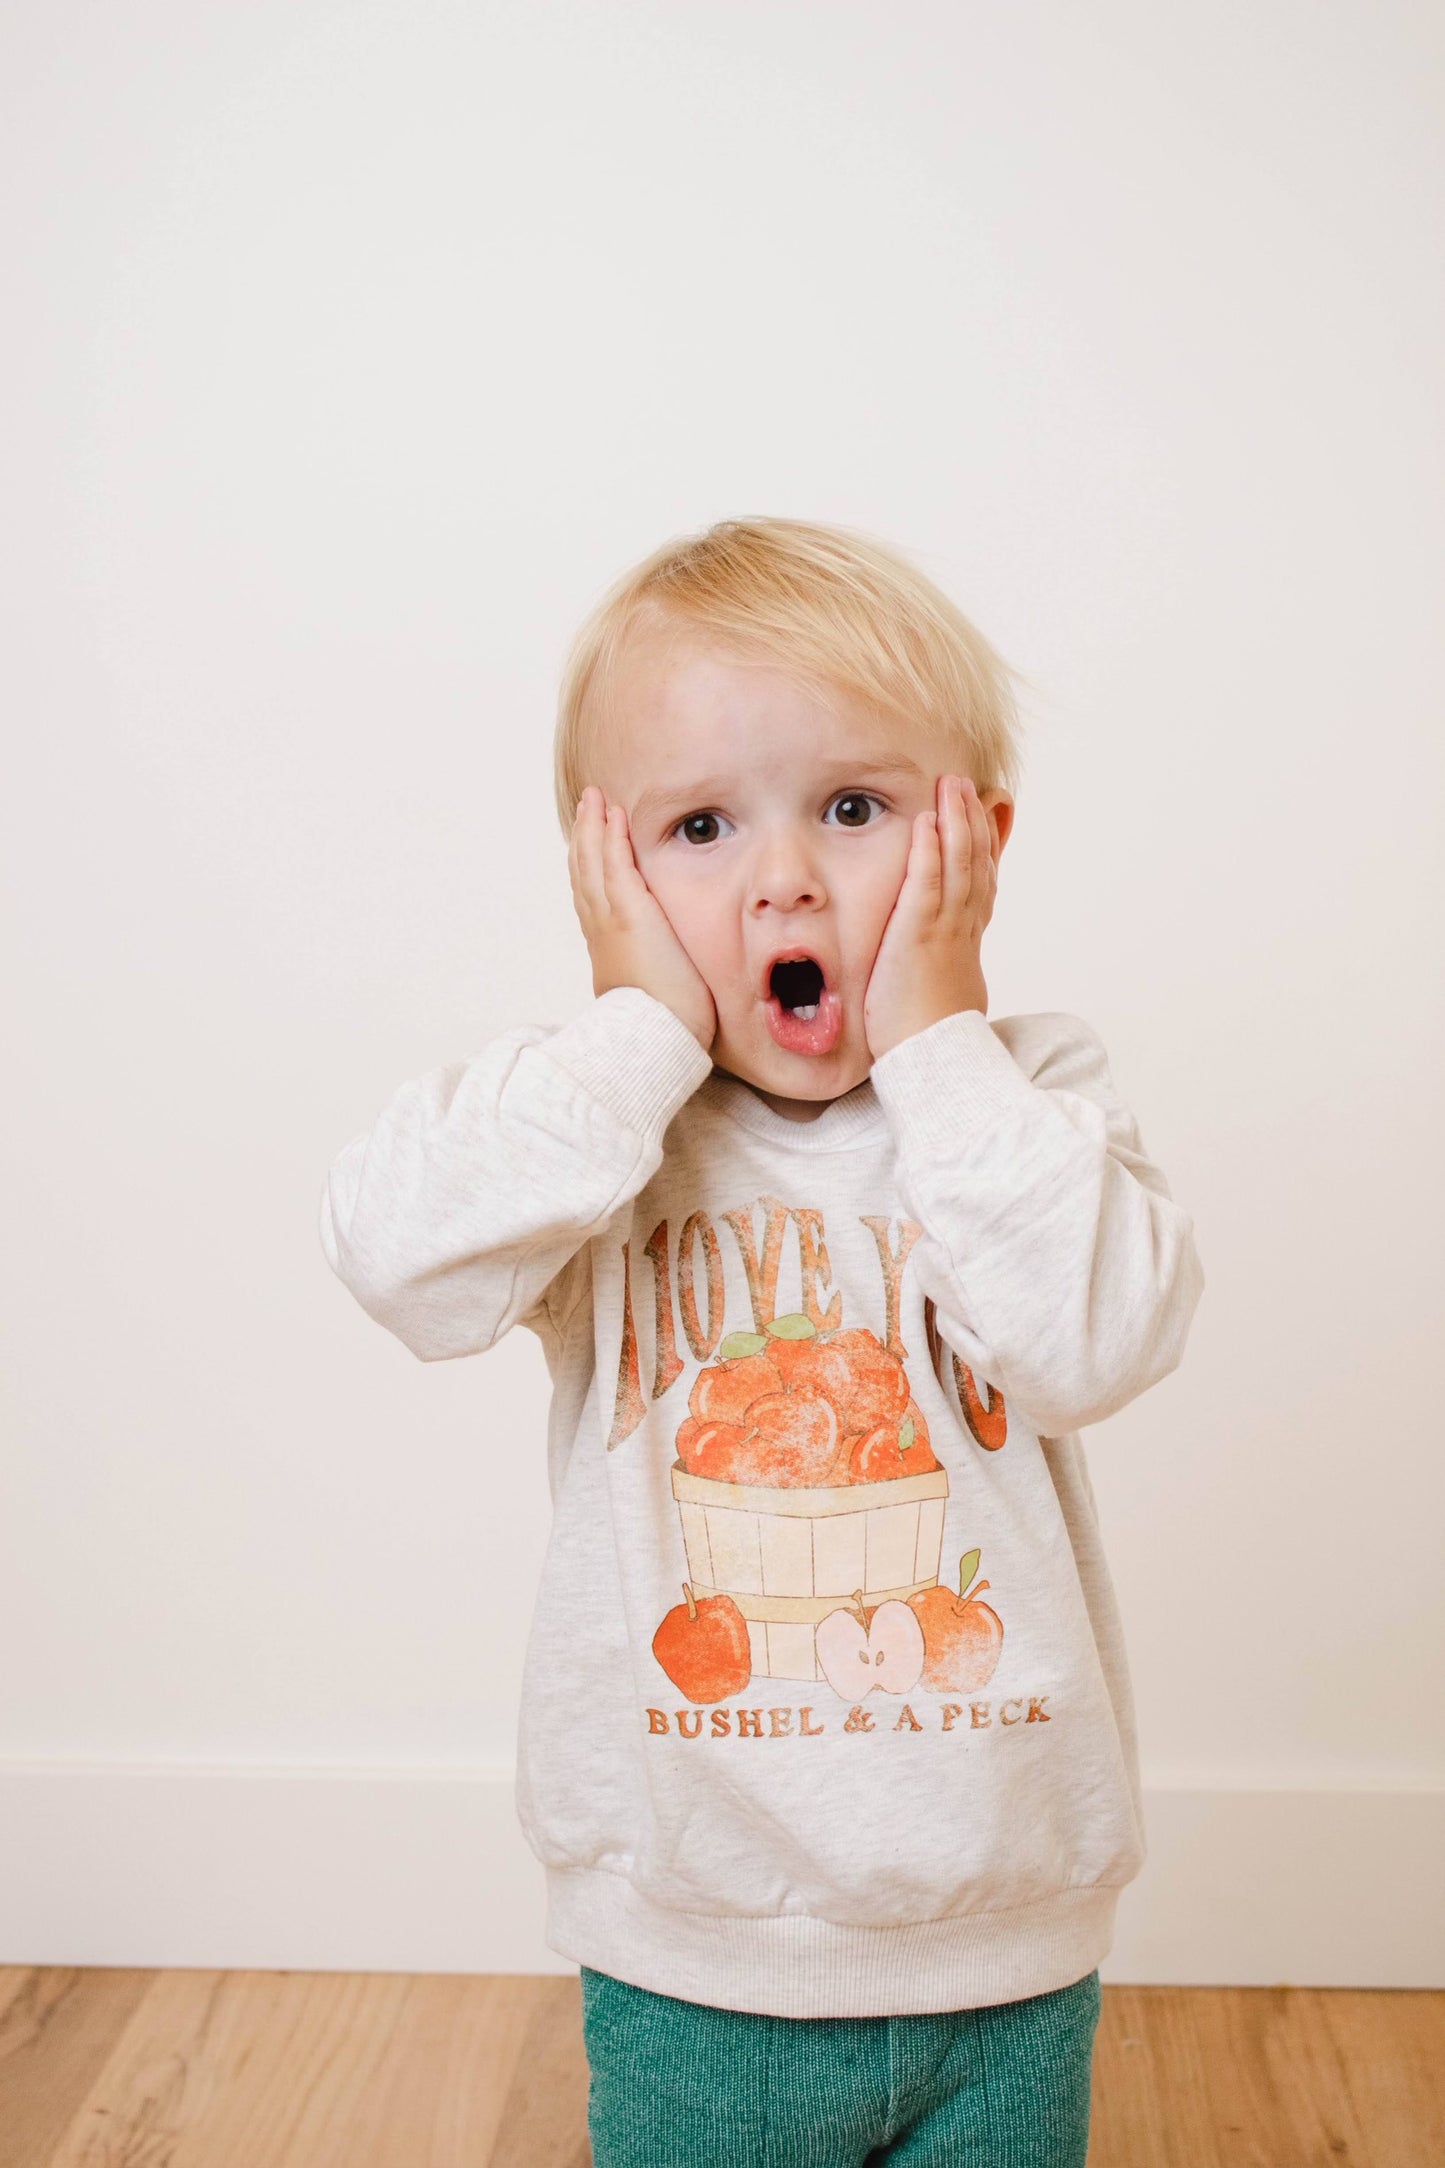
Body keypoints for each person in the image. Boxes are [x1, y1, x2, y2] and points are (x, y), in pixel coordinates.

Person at [319, 517, 1205, 2166]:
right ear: (608, 876)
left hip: (1002, 1945)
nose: (784, 877)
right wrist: (631, 1029)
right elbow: (397, 1262)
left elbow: (1094, 1341)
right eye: (701, 827)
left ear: (979, 845)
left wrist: (939, 1039)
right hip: (690, 1958)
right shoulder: (594, 1137)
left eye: (854, 810)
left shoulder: (1028, 1106)